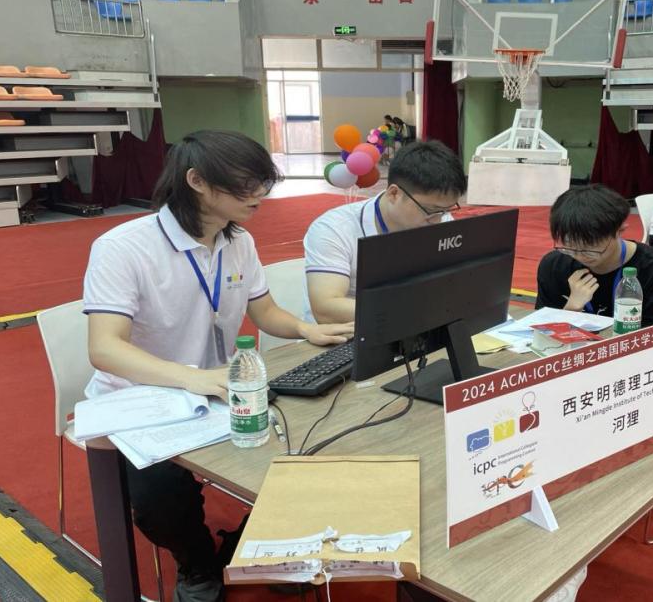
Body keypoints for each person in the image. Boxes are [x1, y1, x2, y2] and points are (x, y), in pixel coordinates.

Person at [83, 130, 353, 602]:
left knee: (318, 437)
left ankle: (252, 541)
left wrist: (304, 329)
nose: (261, 194)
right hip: (142, 399)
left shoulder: (238, 240)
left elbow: (265, 312)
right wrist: (194, 378)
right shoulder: (123, 247)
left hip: (219, 391)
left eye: (264, 182)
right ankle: (197, 564)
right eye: (248, 184)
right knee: (160, 500)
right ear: (197, 182)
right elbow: (105, 349)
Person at [304, 139, 466, 323]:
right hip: (348, 331)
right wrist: (416, 310)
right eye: (429, 210)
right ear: (394, 194)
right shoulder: (334, 229)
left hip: (411, 324)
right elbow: (326, 309)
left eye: (445, 210)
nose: (437, 220)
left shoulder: (440, 218)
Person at [536, 184, 653, 327]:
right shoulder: (554, 266)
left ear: (619, 230)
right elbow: (540, 330)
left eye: (591, 246)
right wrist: (571, 310)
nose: (580, 255)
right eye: (569, 245)